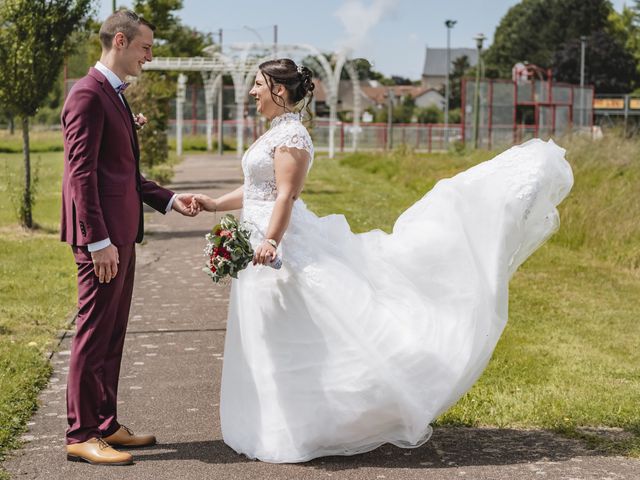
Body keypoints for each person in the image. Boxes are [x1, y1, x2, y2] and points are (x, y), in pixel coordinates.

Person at [193, 58, 573, 463]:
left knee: (312, 328)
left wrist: (271, 240)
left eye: (257, 85)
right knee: (272, 335)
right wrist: (216, 203)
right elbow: (258, 190)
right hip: (259, 245)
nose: (252, 92)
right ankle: (275, 424)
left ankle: (333, 415)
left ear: (279, 91)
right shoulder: (275, 133)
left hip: (279, 248)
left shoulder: (293, 137)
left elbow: (286, 196)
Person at [60, 10, 199, 466]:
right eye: (145, 47)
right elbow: (81, 176)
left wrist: (170, 198)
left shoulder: (114, 96)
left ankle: (106, 424)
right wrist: (96, 240)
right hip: (102, 240)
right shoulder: (87, 94)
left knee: (113, 333)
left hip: (122, 236)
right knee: (93, 332)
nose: (150, 56)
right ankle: (80, 433)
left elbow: (121, 172)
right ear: (120, 41)